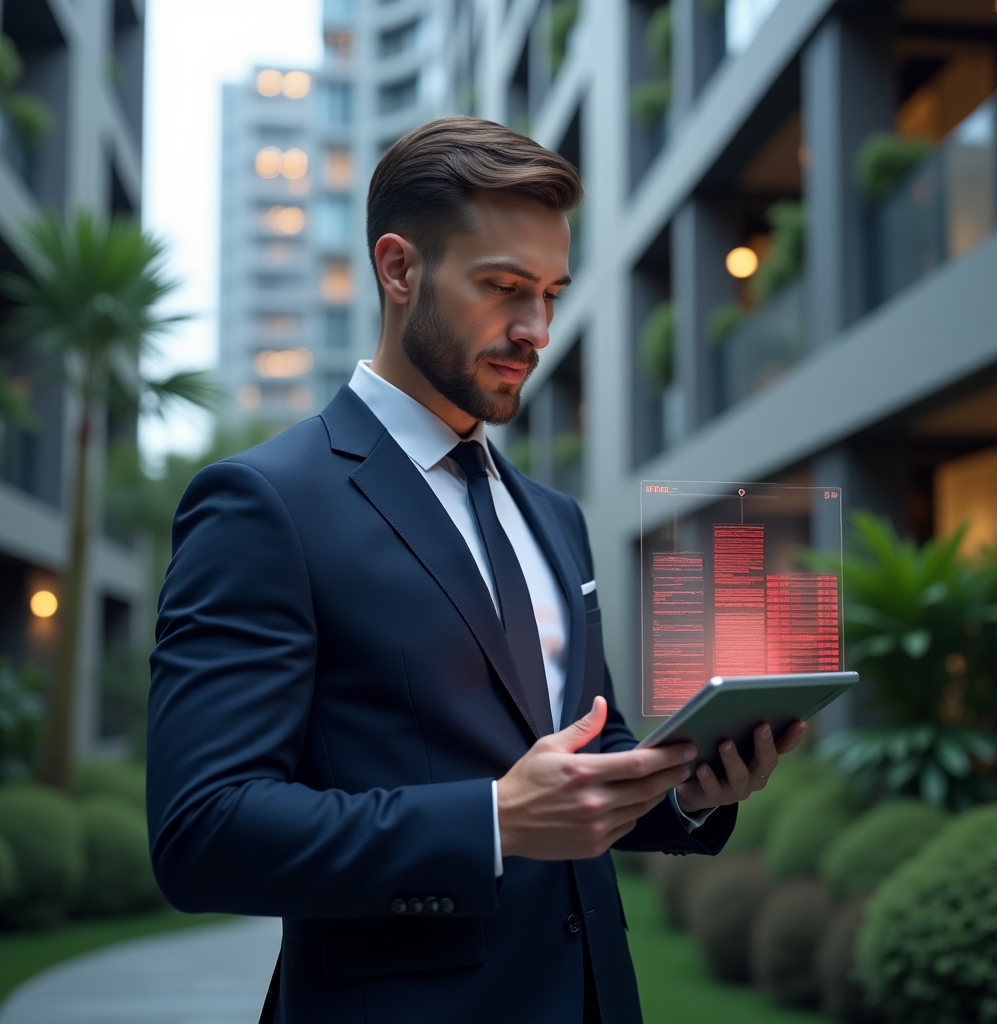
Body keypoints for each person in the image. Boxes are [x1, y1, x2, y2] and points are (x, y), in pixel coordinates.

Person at [147, 117, 805, 1024]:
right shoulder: (265, 504)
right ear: (398, 269)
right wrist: (490, 821)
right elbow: (204, 832)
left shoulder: (555, 518)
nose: (536, 330)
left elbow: (585, 753)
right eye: (503, 288)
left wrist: (687, 790)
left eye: (552, 294)